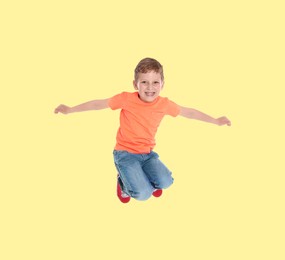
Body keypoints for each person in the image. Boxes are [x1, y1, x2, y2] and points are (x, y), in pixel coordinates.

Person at [54, 58, 231, 203]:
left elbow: (189, 112)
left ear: (162, 84)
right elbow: (97, 104)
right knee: (143, 194)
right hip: (125, 153)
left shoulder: (164, 104)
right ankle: (123, 183)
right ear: (135, 84)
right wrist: (70, 109)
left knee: (166, 182)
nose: (150, 87)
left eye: (155, 82)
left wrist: (215, 121)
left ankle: (140, 176)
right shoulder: (125, 99)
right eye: (144, 82)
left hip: (147, 154)